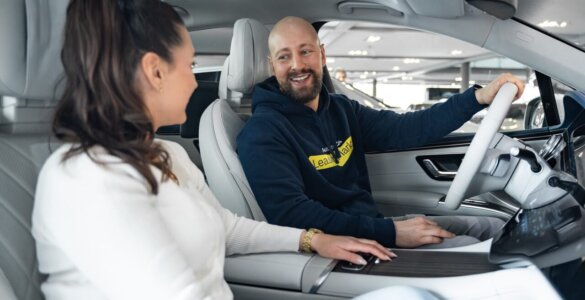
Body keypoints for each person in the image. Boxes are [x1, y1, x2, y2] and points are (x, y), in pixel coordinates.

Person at [31, 3, 394, 300]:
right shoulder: (90, 179)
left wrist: (313, 239)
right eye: (189, 66)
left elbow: (226, 227)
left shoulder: (165, 154)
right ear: (155, 72)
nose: (196, 80)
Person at [237, 16, 525, 249]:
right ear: (272, 66)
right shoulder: (263, 132)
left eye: (305, 51)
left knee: (495, 227)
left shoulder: (340, 108)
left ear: (322, 54)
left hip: (372, 226)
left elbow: (407, 128)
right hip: (347, 246)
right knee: (477, 251)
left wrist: (476, 99)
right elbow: (291, 214)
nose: (297, 65)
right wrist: (390, 232)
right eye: (284, 57)